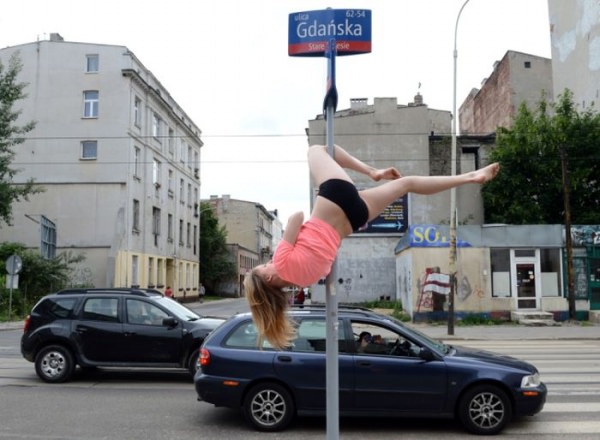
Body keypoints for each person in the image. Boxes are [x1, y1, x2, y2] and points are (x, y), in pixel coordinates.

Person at [245, 143, 500, 350]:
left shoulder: (306, 279)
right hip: (335, 197)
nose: (267, 263)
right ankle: (372, 172)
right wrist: (295, 234)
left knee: (407, 185)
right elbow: (297, 217)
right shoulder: (280, 261)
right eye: (263, 267)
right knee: (316, 149)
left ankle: (471, 178)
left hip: (354, 219)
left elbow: (326, 252)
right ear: (268, 277)